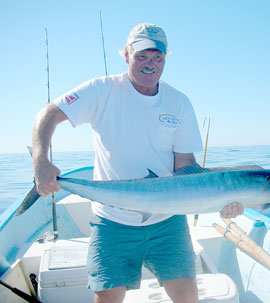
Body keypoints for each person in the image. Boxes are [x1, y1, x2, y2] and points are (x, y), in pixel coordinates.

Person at [31, 23, 244, 303]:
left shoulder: (178, 102)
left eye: (157, 57)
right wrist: (41, 162)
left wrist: (221, 201)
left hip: (167, 221)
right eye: (142, 56)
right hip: (112, 221)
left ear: (165, 59)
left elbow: (185, 167)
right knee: (107, 298)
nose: (150, 64)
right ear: (127, 55)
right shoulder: (101, 89)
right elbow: (48, 114)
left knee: (188, 299)